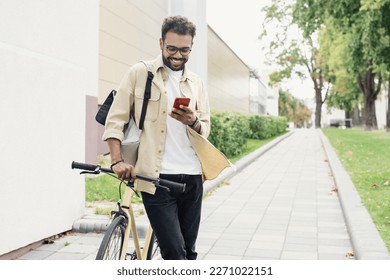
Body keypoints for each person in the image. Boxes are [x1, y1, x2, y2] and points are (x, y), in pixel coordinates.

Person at [102, 15, 210, 260]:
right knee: (174, 253)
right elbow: (115, 120)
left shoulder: (196, 83)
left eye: (185, 50)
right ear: (161, 43)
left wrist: (192, 121)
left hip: (192, 178)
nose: (178, 55)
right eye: (172, 48)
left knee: (189, 252)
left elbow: (206, 128)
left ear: (191, 48)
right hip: (156, 178)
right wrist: (117, 160)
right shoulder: (140, 73)